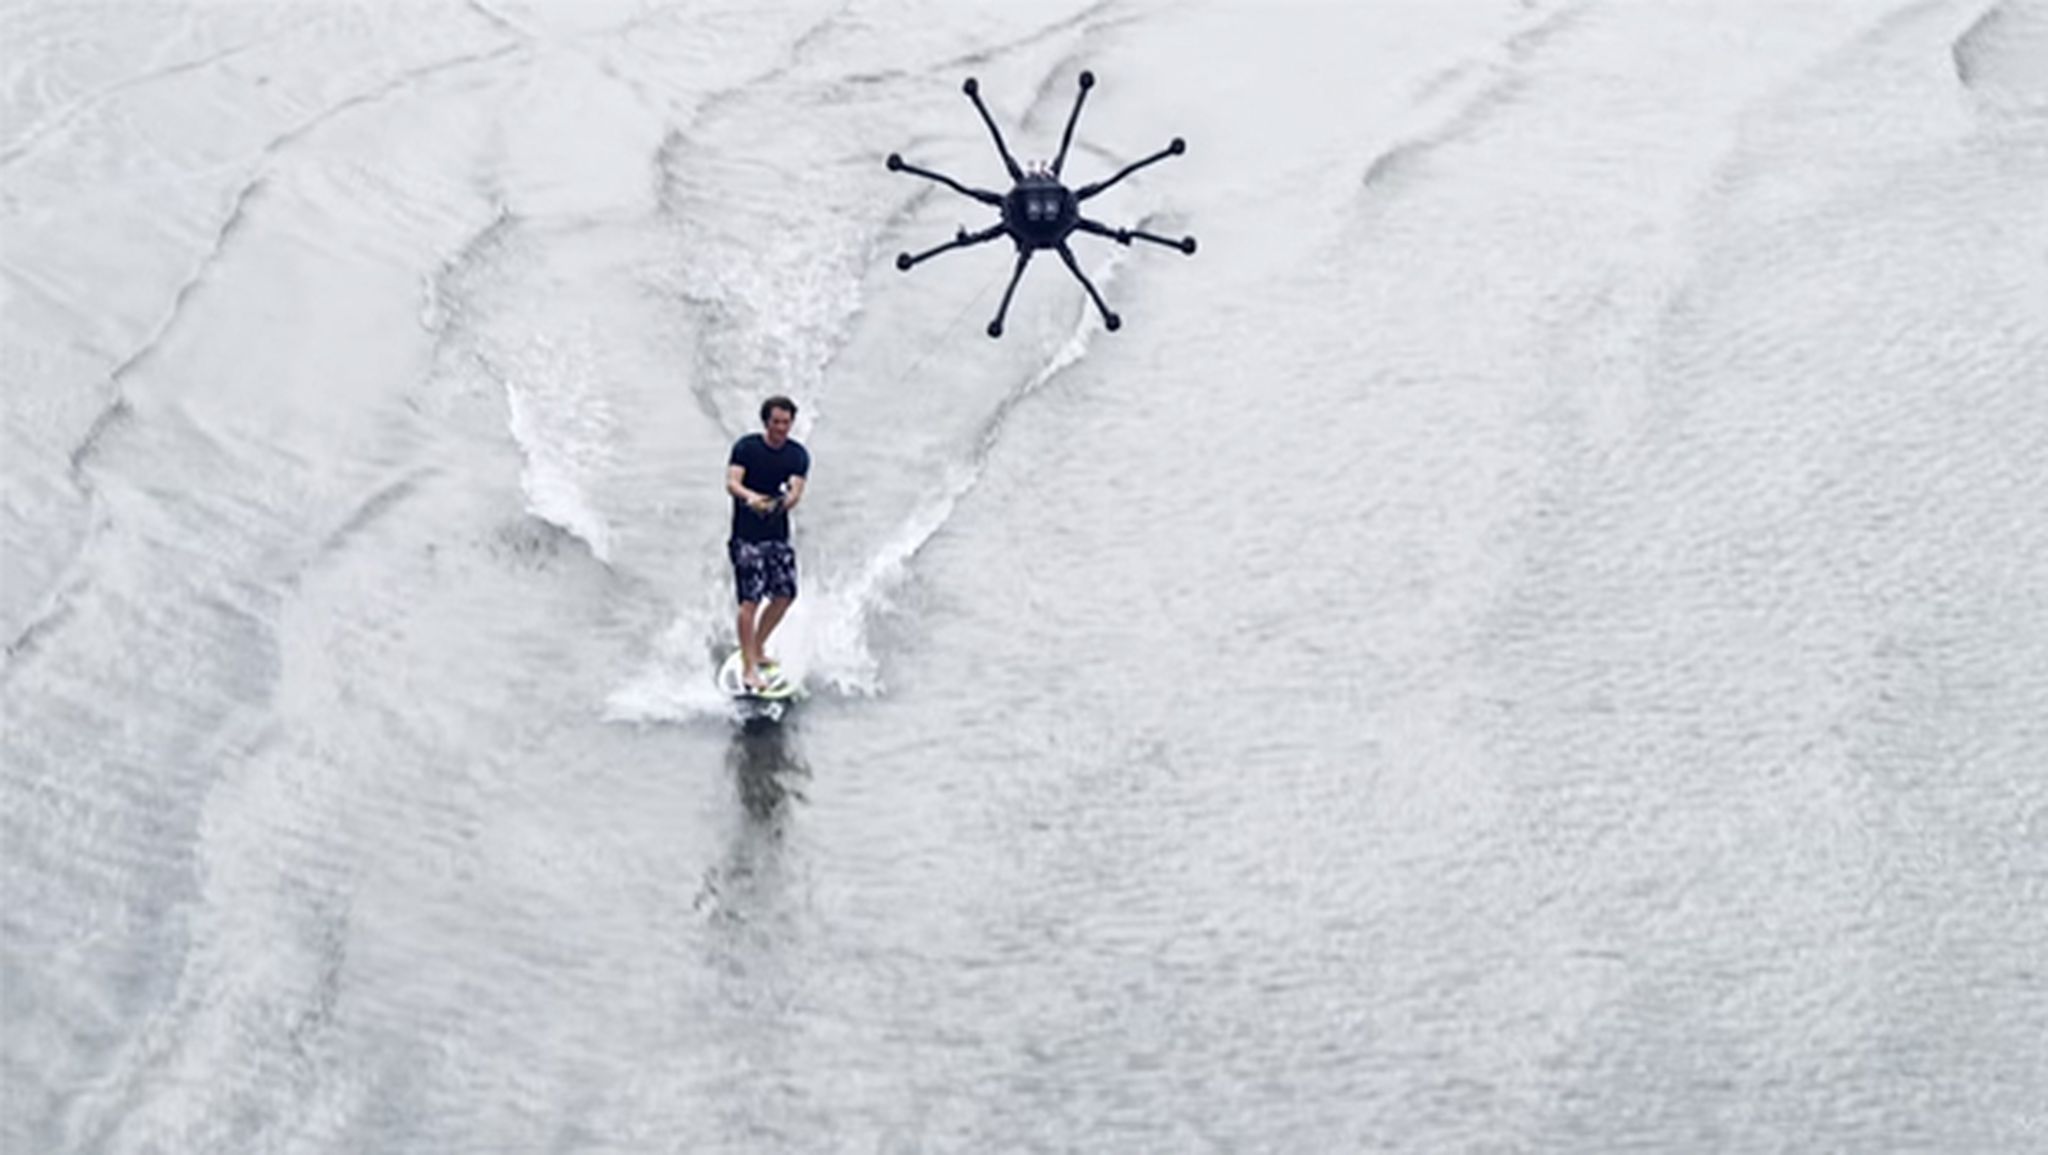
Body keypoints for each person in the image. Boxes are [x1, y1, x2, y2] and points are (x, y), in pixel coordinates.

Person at [726, 396, 809, 691]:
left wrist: (782, 503)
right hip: (746, 537)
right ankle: (749, 668)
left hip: (777, 536)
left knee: (785, 594)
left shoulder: (797, 455)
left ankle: (758, 647)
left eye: (786, 423)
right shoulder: (746, 448)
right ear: (766, 423)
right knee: (750, 600)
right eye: (776, 422)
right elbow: (732, 482)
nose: (781, 428)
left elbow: (796, 491)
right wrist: (752, 499)